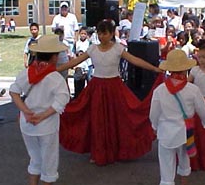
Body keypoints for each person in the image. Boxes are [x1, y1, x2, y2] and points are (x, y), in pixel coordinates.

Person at [57, 20, 163, 166]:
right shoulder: (92, 49)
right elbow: (74, 62)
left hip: (114, 87)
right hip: (96, 87)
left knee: (118, 118)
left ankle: (116, 150)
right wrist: (54, 70)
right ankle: (98, 151)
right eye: (99, 33)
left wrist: (154, 69)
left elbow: (135, 60)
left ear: (112, 34)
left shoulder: (118, 48)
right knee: (96, 120)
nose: (101, 36)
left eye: (104, 33)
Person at [9, 35, 70, 185]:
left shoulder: (26, 73)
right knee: (49, 157)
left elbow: (14, 92)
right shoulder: (55, 78)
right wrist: (42, 115)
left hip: (27, 124)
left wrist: (26, 112)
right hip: (46, 125)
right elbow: (62, 101)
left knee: (34, 156)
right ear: (54, 57)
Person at [150, 49, 205, 185]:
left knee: (166, 165)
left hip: (165, 133)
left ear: (169, 70)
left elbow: (153, 114)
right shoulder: (193, 90)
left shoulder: (160, 90)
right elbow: (203, 110)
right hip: (186, 133)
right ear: (186, 69)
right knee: (184, 160)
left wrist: (155, 127)